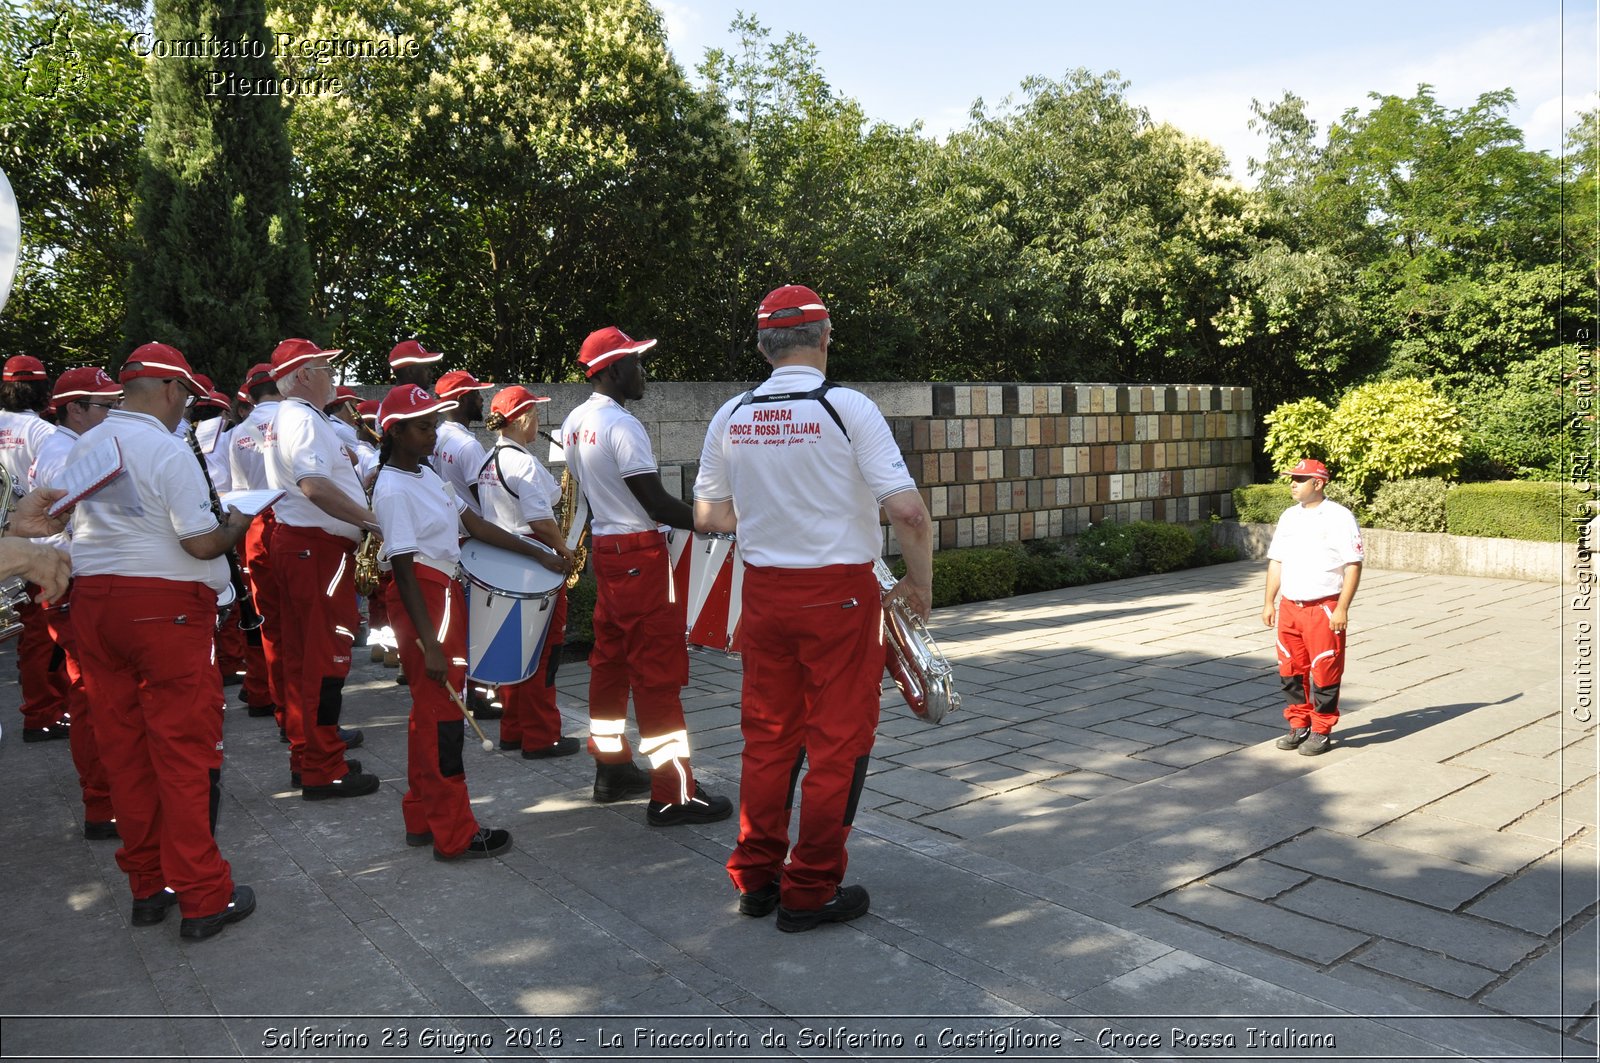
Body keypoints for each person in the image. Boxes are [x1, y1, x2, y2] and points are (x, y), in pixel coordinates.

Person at [694, 284, 933, 932]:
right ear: (825, 338)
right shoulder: (846, 407)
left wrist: (771, 508)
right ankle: (809, 887)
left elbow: (709, 515)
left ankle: (756, 878)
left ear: (762, 344)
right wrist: (921, 586)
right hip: (840, 596)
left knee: (769, 737)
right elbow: (908, 511)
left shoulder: (732, 414)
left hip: (765, 595)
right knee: (838, 741)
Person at [66, 343, 257, 940]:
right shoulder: (167, 449)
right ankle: (203, 895)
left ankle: (148, 886)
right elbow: (200, 543)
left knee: (124, 752)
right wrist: (239, 524)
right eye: (186, 399)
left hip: (94, 605)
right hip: (165, 612)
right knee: (183, 754)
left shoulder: (87, 442)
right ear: (172, 390)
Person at [370, 384, 568, 859]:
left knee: (429, 714)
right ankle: (455, 833)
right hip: (424, 597)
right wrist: (429, 644)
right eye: (422, 427)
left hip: (439, 590)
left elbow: (475, 526)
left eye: (434, 424)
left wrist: (540, 553)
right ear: (394, 432)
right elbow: (400, 564)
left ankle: (421, 815)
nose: (432, 434)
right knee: (444, 720)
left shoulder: (424, 473)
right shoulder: (394, 486)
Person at [559, 327, 732, 825]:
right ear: (614, 369)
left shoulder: (575, 421)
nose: (643, 371)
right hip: (639, 553)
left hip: (609, 553)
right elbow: (653, 501)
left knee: (609, 664)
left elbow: (587, 497)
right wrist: (715, 521)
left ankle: (611, 769)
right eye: (636, 362)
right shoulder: (621, 425)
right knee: (657, 673)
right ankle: (673, 792)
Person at [263, 338, 379, 798]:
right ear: (304, 375)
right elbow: (313, 485)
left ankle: (312, 751)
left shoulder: (290, 417)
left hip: (302, 546)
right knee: (326, 660)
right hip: (317, 551)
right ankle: (322, 766)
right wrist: (373, 521)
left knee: (301, 659)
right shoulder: (305, 420)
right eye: (325, 367)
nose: (332, 375)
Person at [29, 367, 122, 838]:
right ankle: (103, 804)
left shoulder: (66, 446)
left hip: (68, 577)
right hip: (69, 580)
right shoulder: (66, 452)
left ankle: (105, 799)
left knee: (92, 694)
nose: (114, 412)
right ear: (75, 409)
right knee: (91, 697)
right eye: (105, 405)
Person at [475, 385, 581, 760]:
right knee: (544, 651)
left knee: (516, 651)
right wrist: (564, 549)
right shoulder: (523, 462)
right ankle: (541, 736)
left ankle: (513, 729)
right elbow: (541, 519)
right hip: (535, 562)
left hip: (504, 562)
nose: (539, 421)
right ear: (524, 419)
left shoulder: (489, 459)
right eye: (536, 414)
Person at [1261, 458, 1364, 757]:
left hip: (1323, 608)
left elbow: (1353, 564)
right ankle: (1299, 724)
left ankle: (1321, 729)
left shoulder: (1339, 517)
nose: (1292, 482)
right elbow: (1276, 560)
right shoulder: (1289, 517)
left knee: (1325, 670)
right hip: (1290, 607)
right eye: (1292, 477)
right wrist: (1269, 601)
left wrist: (1342, 608)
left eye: (1299, 478)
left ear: (1318, 483)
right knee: (1290, 670)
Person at [0, 354, 68, 740]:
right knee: (45, 636)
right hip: (38, 545)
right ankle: (44, 713)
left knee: (26, 636)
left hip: (6, 537)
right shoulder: (43, 432)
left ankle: (38, 710)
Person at [225, 363, 287, 723]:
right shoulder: (299, 419)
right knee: (304, 627)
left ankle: (277, 703)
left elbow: (240, 495)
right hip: (294, 524)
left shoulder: (238, 433)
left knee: (269, 625)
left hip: (255, 528)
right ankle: (305, 717)